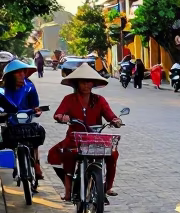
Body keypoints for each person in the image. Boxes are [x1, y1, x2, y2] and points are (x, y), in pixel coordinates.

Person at [48, 63, 123, 202]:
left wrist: (115, 120)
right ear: (77, 83)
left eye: (89, 82)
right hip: (74, 138)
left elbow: (110, 115)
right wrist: (62, 117)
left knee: (113, 153)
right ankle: (68, 190)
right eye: (83, 82)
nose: (86, 85)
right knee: (59, 154)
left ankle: (107, 187)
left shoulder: (99, 100)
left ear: (93, 83)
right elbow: (58, 114)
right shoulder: (69, 99)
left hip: (95, 139)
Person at [0, 58, 45, 178]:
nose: (22, 75)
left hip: (25, 121)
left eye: (23, 72)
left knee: (35, 137)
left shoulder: (29, 87)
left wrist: (37, 111)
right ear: (10, 76)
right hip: (9, 123)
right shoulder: (2, 90)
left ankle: (37, 165)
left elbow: (35, 105)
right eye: (18, 72)